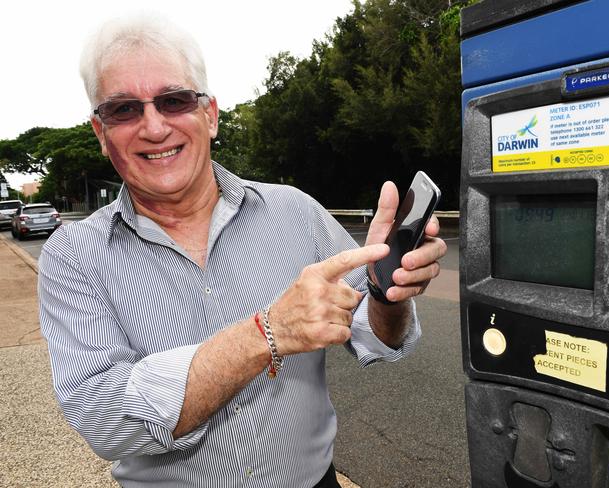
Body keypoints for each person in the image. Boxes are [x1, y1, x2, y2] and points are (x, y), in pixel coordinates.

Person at [38, 13, 447, 488]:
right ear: (100, 131)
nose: (153, 127)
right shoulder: (72, 256)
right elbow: (104, 419)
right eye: (124, 109)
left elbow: (376, 338)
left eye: (174, 100)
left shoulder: (296, 211)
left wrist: (385, 294)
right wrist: (266, 333)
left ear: (209, 115)